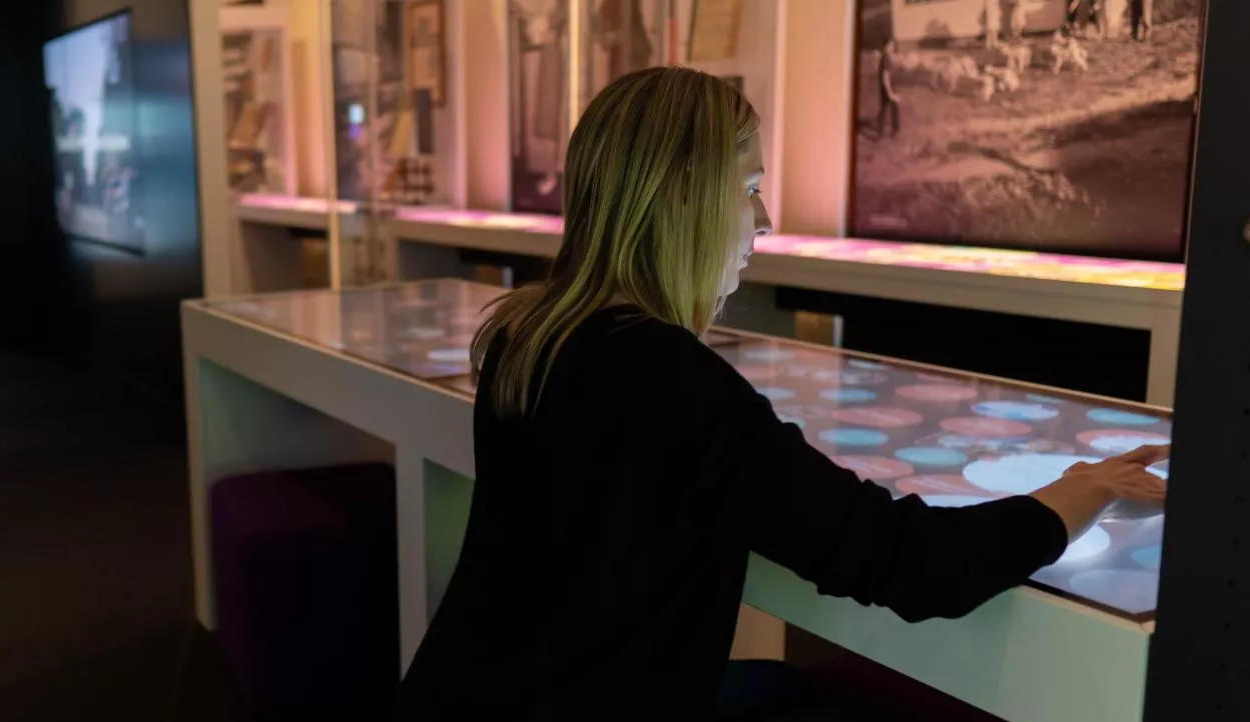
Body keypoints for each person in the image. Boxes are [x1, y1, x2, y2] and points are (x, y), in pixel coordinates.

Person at [395, 67, 1168, 721]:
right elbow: (910, 565)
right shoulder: (672, 383)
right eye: (751, 188)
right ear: (686, 198)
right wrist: (1075, 493)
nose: (763, 220)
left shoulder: (523, 338)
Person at [877, 39, 903, 139]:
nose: (892, 47)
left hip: (885, 87)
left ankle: (881, 132)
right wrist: (890, 93)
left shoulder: (885, 57)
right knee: (894, 108)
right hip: (888, 87)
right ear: (885, 47)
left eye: (892, 45)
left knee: (884, 109)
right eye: (890, 45)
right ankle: (894, 132)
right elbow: (885, 76)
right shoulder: (886, 59)